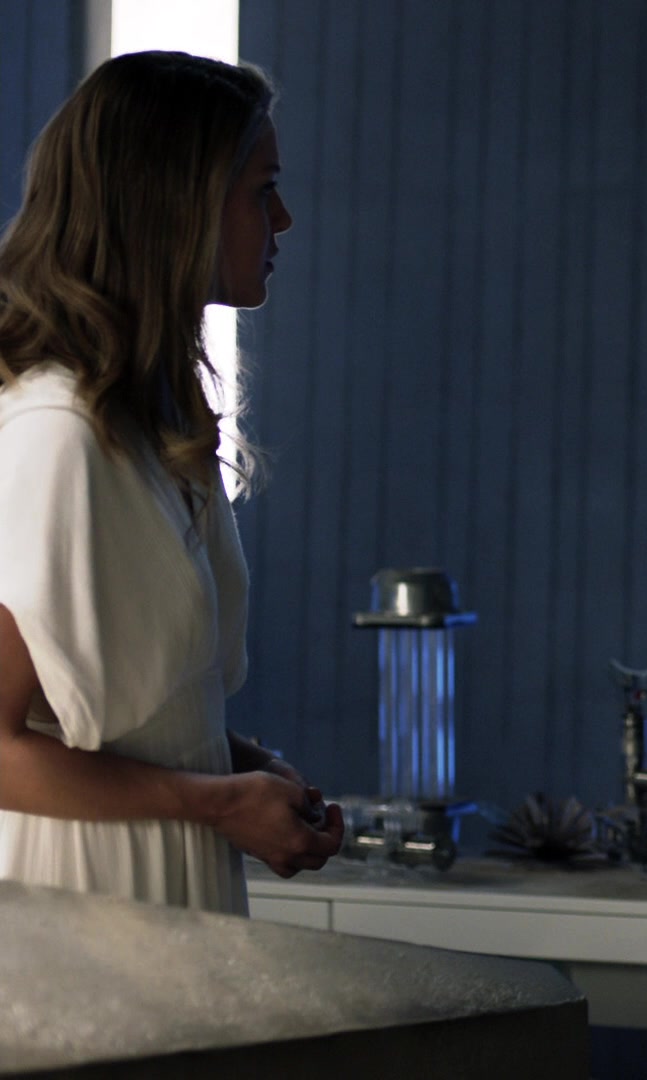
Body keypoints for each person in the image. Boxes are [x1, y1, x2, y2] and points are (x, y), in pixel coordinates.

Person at [0, 51, 343, 916]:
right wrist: (217, 802)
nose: (284, 218)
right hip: (81, 909)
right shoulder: (57, 433)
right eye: (263, 190)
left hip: (166, 893)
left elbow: (128, 708)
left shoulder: (147, 424)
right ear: (176, 205)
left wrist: (242, 769)